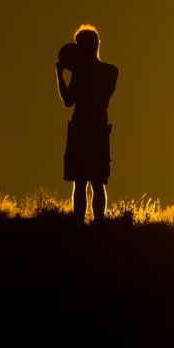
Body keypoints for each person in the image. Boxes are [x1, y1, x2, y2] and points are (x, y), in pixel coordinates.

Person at [56, 24, 119, 224]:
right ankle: (97, 224)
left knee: (82, 182)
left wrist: (60, 74)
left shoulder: (87, 73)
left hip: (83, 129)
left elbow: (68, 101)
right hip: (97, 129)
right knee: (96, 182)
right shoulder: (110, 71)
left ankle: (80, 225)